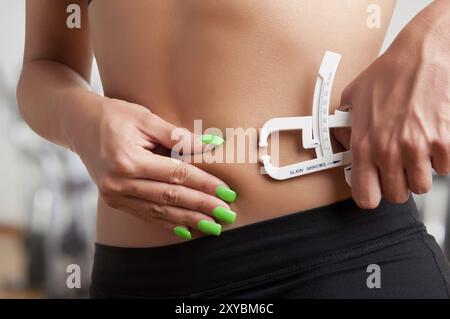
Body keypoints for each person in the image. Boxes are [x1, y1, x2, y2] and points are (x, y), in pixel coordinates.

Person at [17, 0, 450, 298]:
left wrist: (434, 39)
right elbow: (45, 64)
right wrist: (79, 119)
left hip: (340, 264)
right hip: (129, 278)